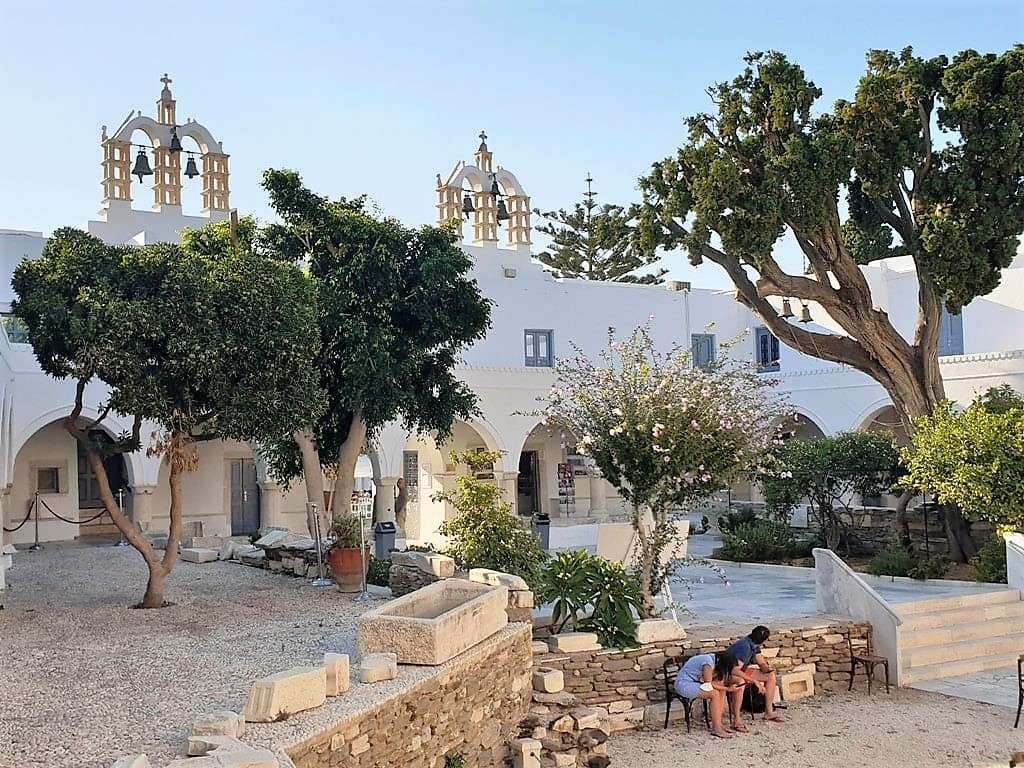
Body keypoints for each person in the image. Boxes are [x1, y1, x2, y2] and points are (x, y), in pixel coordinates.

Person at [674, 650, 747, 738]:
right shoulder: (708, 664)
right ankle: (716, 729)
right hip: (684, 684)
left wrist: (725, 688)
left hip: (695, 681)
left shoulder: (713, 659)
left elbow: (713, 682)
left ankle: (719, 724)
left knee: (721, 690)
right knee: (714, 694)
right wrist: (729, 689)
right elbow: (708, 685)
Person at [728, 625, 784, 723]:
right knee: (740, 682)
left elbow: (760, 661)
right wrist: (753, 680)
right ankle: (736, 719)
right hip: (730, 672)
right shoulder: (744, 647)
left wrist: (766, 668)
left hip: (742, 670)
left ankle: (768, 712)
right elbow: (735, 669)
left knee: (770, 676)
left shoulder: (753, 643)